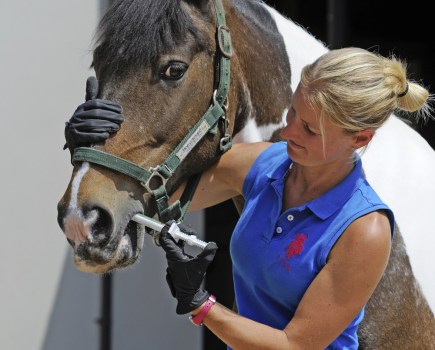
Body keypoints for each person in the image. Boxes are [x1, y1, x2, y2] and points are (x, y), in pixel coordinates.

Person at [64, 47, 433, 349]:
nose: (288, 131)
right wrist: (95, 147)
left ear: (360, 139)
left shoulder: (363, 230)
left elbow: (295, 346)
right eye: (292, 113)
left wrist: (200, 304)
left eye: (308, 128)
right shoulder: (268, 164)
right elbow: (154, 193)